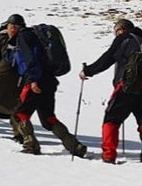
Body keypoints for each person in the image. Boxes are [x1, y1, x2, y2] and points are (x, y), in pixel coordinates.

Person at [5, 14, 87, 156]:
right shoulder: (35, 36)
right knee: (48, 118)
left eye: (10, 27)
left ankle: (31, 145)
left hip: (35, 80)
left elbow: (29, 59)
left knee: (19, 114)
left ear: (15, 27)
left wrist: (32, 80)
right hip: (49, 81)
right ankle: (75, 146)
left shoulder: (23, 37)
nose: (9, 30)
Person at [81, 18, 142, 166]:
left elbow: (107, 59)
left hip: (127, 87)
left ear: (122, 30)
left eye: (117, 31)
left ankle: (109, 155)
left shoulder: (123, 39)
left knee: (111, 118)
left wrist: (88, 71)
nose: (117, 34)